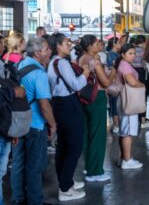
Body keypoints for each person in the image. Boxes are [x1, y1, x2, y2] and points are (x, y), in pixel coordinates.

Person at [11, 38, 57, 205]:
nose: (50, 51)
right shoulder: (39, 74)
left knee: (18, 163)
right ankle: (35, 201)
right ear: (38, 53)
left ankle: (18, 199)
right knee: (34, 166)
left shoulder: (19, 66)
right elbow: (44, 106)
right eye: (46, 49)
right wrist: (52, 124)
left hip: (17, 123)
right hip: (35, 124)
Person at [47, 33, 89, 201]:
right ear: (58, 46)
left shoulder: (53, 63)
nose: (69, 45)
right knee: (75, 146)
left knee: (64, 145)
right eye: (66, 43)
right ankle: (65, 189)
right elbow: (76, 84)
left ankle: (66, 181)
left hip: (59, 104)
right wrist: (85, 73)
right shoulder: (62, 63)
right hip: (68, 104)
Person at [77, 35, 117, 182]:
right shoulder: (94, 61)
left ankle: (89, 166)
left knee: (88, 133)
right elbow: (106, 82)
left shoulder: (82, 58)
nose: (99, 44)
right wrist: (113, 71)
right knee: (98, 135)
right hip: (97, 97)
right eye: (96, 43)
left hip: (84, 97)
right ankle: (95, 171)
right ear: (89, 47)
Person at [0, 36, 26, 205]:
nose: (1, 46)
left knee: (1, 172)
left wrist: (12, 130)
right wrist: (13, 93)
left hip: (4, 125)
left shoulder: (4, 64)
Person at [115, 44, 144, 169]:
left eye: (134, 53)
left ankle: (123, 158)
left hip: (123, 100)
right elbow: (132, 82)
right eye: (130, 53)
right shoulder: (125, 66)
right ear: (123, 54)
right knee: (127, 132)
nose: (133, 56)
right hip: (128, 101)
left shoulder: (122, 64)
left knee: (124, 131)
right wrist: (143, 85)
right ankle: (127, 160)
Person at [132, 35, 149, 128]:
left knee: (134, 95)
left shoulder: (131, 50)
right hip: (141, 73)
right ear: (142, 42)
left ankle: (135, 118)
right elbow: (145, 63)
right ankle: (142, 119)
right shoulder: (143, 51)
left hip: (132, 72)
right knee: (143, 95)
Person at [106, 38, 121, 133]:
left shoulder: (114, 54)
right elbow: (113, 70)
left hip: (114, 82)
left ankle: (116, 125)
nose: (121, 44)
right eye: (119, 42)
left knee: (114, 104)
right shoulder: (112, 55)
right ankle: (116, 125)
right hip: (115, 82)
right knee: (115, 104)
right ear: (114, 44)